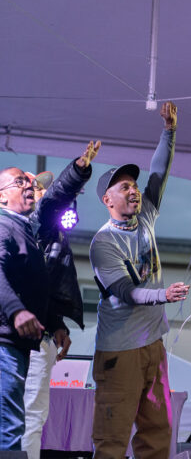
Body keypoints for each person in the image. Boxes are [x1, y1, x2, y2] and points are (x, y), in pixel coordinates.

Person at [89, 101, 189, 459]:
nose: (134, 190)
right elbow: (126, 292)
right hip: (120, 351)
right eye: (124, 187)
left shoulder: (145, 215)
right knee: (112, 440)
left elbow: (159, 173)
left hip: (153, 346)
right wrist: (164, 294)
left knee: (158, 433)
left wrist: (169, 131)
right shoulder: (102, 242)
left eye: (134, 185)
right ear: (107, 199)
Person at [0, 140, 99, 451]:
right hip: (11, 338)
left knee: (29, 418)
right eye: (23, 181)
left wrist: (56, 321)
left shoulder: (32, 230)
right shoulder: (11, 225)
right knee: (20, 420)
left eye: (33, 183)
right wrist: (17, 311)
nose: (31, 186)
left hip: (28, 336)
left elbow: (36, 287)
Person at [22, 168, 89, 459]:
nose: (34, 190)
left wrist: (56, 321)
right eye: (28, 185)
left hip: (41, 333)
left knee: (34, 415)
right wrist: (75, 175)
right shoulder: (21, 226)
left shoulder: (49, 234)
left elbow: (45, 283)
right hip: (22, 336)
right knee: (27, 416)